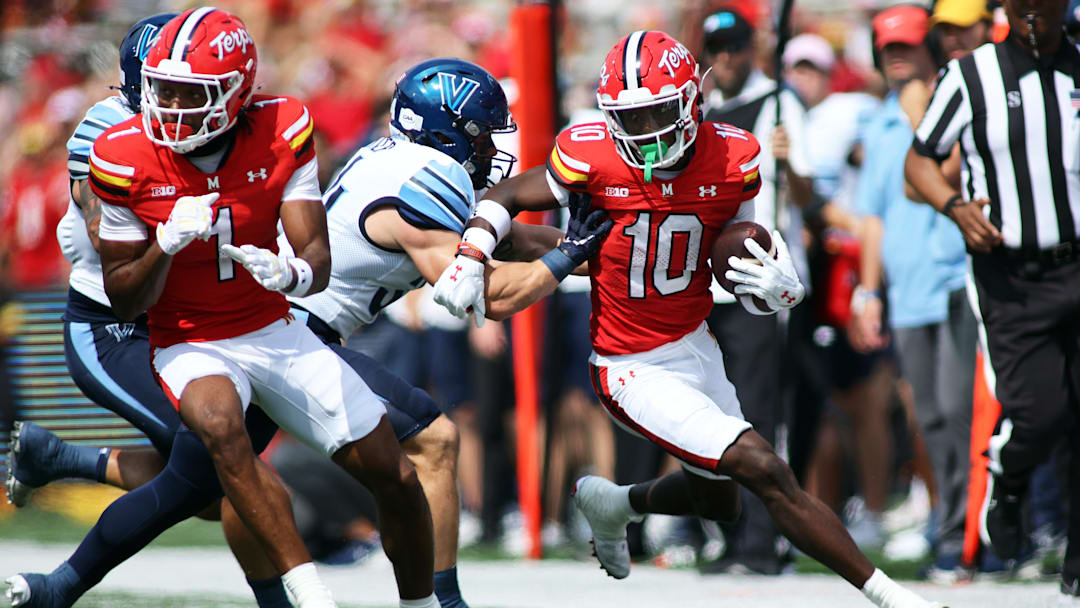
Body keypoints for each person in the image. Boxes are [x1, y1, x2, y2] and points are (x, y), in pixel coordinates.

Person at [435, 29, 942, 608]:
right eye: (632, 118)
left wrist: (777, 286)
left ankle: (616, 502)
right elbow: (504, 195)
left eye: (657, 113)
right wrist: (473, 254)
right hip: (627, 364)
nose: (647, 135)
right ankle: (892, 597)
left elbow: (741, 264)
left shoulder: (734, 157)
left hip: (696, 344)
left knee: (721, 500)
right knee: (765, 470)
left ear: (691, 101)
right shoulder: (591, 151)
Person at [7, 8, 437, 608]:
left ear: (237, 90)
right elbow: (124, 291)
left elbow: (315, 256)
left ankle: (425, 601)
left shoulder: (282, 126)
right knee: (214, 448)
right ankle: (301, 592)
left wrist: (291, 270)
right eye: (158, 89)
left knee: (394, 476)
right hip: (163, 330)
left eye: (190, 92)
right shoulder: (116, 149)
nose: (169, 107)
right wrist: (162, 242)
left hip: (272, 325)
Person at [5, 13, 293, 608]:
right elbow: (108, 233)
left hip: (189, 323)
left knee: (212, 476)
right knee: (216, 473)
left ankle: (61, 469)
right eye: (171, 85)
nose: (183, 100)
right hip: (115, 325)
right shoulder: (106, 130)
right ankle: (62, 577)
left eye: (197, 86)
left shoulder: (223, 126)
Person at [905, 0, 1080, 598]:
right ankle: (1007, 480)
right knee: (1041, 411)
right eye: (1022, 2)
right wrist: (955, 208)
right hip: (1012, 275)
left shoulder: (1078, 67)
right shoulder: (972, 75)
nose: (1035, 14)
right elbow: (918, 163)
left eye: (1046, 2)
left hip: (1078, 261)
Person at [853, 4, 976, 578]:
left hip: (956, 278)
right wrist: (868, 292)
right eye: (888, 49)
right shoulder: (877, 124)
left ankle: (963, 533)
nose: (898, 56)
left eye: (907, 45)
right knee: (926, 417)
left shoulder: (953, 105)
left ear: (927, 49)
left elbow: (940, 181)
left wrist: (921, 123)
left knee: (958, 412)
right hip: (907, 289)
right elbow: (875, 214)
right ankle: (950, 527)